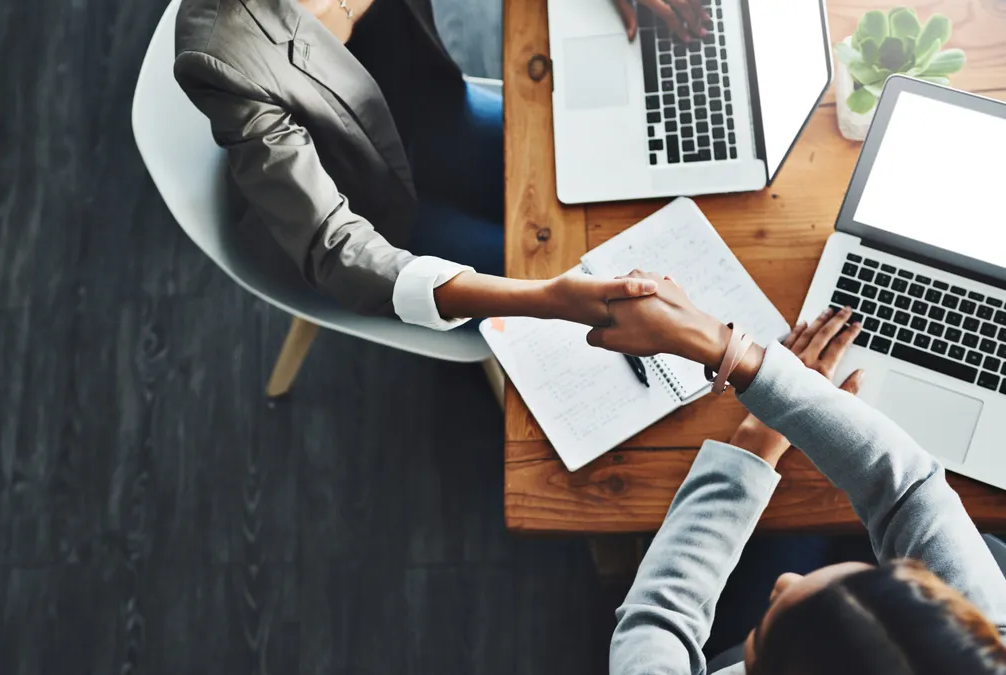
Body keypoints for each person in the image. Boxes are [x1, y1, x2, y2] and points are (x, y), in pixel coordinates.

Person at [171, 0, 706, 330]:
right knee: (574, 286)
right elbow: (333, 248)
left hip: (442, 113)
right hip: (374, 211)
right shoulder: (219, 54)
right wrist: (545, 301)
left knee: (626, 172)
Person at [589, 270, 1006, 674]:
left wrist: (755, 442)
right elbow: (909, 492)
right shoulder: (984, 647)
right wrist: (732, 352)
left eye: (766, 631)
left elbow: (658, 620)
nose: (786, 582)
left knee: (794, 535)